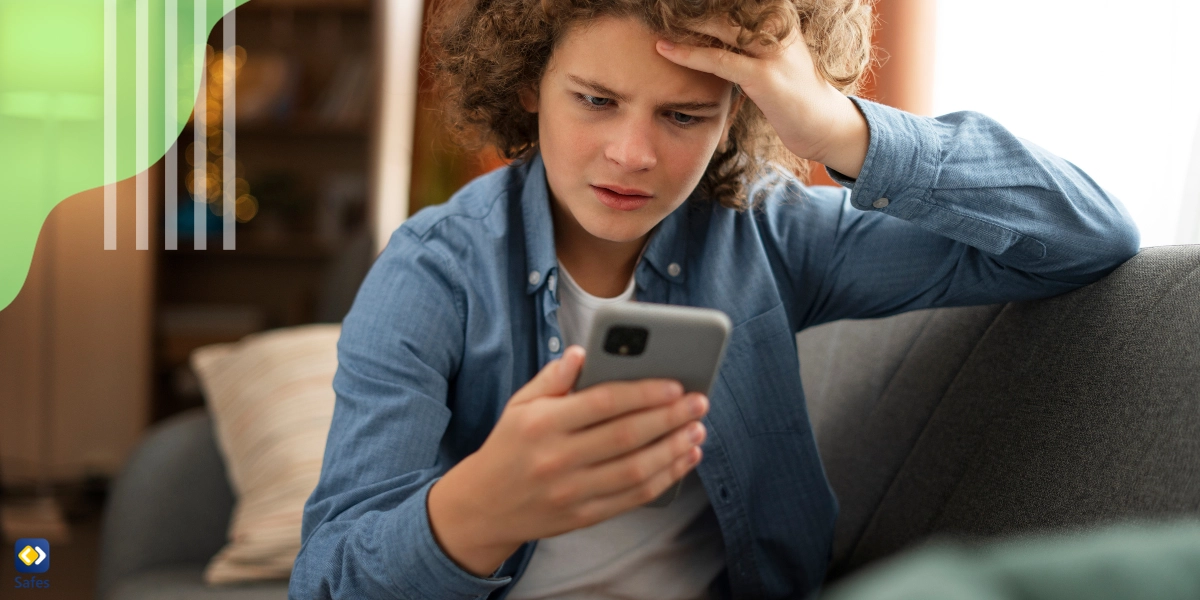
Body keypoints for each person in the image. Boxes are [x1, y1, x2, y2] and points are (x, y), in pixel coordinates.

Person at [289, 0, 1140, 598]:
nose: (632, 153)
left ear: (736, 115)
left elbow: (1087, 235)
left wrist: (840, 129)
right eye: (595, 101)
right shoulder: (430, 274)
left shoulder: (766, 233)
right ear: (528, 86)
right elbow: (329, 581)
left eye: (685, 116)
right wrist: (480, 509)